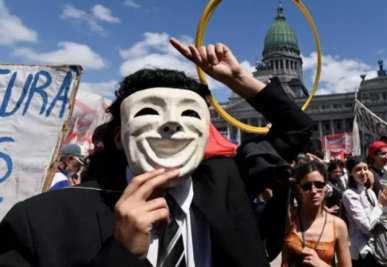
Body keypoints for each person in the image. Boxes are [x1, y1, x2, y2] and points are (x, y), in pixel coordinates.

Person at [0, 39, 313, 267]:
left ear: (206, 131)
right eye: (150, 112)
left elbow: (295, 128)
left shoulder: (230, 182)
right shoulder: (40, 222)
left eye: (190, 114)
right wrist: (121, 253)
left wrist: (239, 81)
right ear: (120, 137)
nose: (173, 124)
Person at [282, 161, 352, 267]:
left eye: (319, 185)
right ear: (299, 189)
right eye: (307, 186)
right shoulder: (290, 217)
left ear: (326, 186)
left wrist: (320, 264)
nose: (314, 190)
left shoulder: (338, 225)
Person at [342, 156, 387, 267]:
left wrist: (386, 201)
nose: (363, 172)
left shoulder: (369, 192)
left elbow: (384, 217)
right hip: (362, 253)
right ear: (351, 173)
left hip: (378, 249)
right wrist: (380, 205)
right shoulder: (350, 195)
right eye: (358, 169)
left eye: (365, 168)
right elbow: (365, 226)